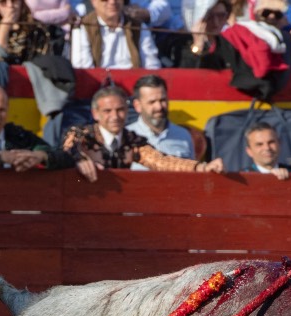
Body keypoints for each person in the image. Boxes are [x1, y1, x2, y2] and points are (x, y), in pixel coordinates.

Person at [62, 85, 225, 182]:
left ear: (127, 111)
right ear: (95, 113)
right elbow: (65, 150)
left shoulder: (132, 141)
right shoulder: (82, 135)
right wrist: (79, 159)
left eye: (120, 110)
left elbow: (161, 162)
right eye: (107, 111)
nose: (114, 117)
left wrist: (201, 167)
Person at [126, 74, 196, 171]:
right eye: (152, 102)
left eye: (162, 100)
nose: (159, 107)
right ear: (137, 105)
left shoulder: (183, 135)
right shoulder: (126, 137)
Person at [70, 0, 160, 69]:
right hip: (99, 88)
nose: (112, 2)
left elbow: (152, 66)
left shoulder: (138, 26)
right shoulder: (82, 27)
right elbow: (83, 69)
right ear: (94, 2)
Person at [0, 0, 64, 65]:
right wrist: (3, 31)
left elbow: (42, 64)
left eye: (14, 0)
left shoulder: (37, 30)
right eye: (3, 1)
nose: (10, 5)